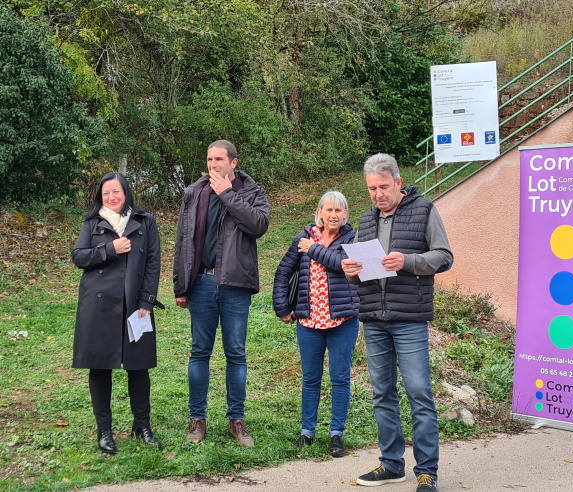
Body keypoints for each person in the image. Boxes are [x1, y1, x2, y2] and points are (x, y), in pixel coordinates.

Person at [342, 153, 453, 492]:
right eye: (372, 189)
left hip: (409, 319)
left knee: (419, 392)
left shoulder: (425, 210)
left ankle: (427, 472)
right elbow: (364, 272)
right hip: (374, 317)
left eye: (384, 187)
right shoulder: (365, 219)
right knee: (382, 393)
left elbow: (444, 256)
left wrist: (408, 261)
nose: (378, 194)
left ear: (399, 183)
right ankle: (392, 465)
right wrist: (352, 274)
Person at [173, 139, 270, 447]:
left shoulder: (252, 192)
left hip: (235, 284)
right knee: (199, 352)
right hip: (201, 283)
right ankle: (197, 419)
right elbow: (182, 240)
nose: (213, 164)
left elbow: (258, 225)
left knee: (236, 354)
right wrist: (180, 284)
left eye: (219, 159)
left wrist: (227, 194)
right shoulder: (194, 192)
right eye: (209, 159)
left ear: (233, 162)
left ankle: (236, 420)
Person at [72, 172, 163, 454]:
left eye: (116, 192)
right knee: (99, 366)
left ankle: (142, 425)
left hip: (134, 303)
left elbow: (152, 262)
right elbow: (79, 257)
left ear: (126, 193)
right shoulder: (93, 223)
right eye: (106, 193)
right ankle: (105, 431)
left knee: (139, 366)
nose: (111, 197)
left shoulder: (145, 222)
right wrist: (110, 248)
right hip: (98, 306)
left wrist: (147, 301)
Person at [272, 191, 360, 458]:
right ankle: (307, 433)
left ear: (346, 215)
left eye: (339, 210)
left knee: (340, 378)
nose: (333, 215)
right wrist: (282, 307)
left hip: (342, 320)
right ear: (320, 212)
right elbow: (283, 271)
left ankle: (336, 435)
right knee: (311, 379)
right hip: (309, 320)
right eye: (329, 210)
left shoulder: (352, 239)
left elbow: (345, 266)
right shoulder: (303, 237)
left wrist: (313, 249)